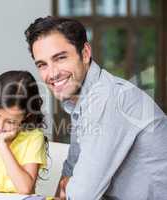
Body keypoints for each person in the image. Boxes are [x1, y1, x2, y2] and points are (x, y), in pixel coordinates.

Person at [24, 16, 167, 199]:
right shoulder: (82, 100)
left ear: (85, 53)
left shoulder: (107, 99)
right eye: (42, 65)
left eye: (60, 58)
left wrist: (72, 187)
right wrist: (67, 187)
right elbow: (70, 170)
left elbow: (81, 195)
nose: (51, 73)